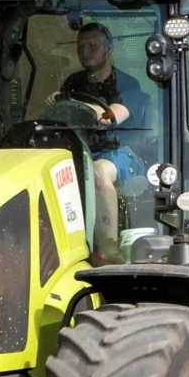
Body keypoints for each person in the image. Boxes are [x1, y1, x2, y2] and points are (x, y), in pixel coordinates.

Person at [57, 22, 149, 262]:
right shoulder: (73, 82)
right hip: (81, 149)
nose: (85, 51)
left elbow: (112, 116)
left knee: (98, 172)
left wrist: (79, 106)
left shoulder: (127, 85)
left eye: (92, 46)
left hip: (121, 152)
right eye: (81, 46)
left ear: (107, 50)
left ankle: (108, 250)